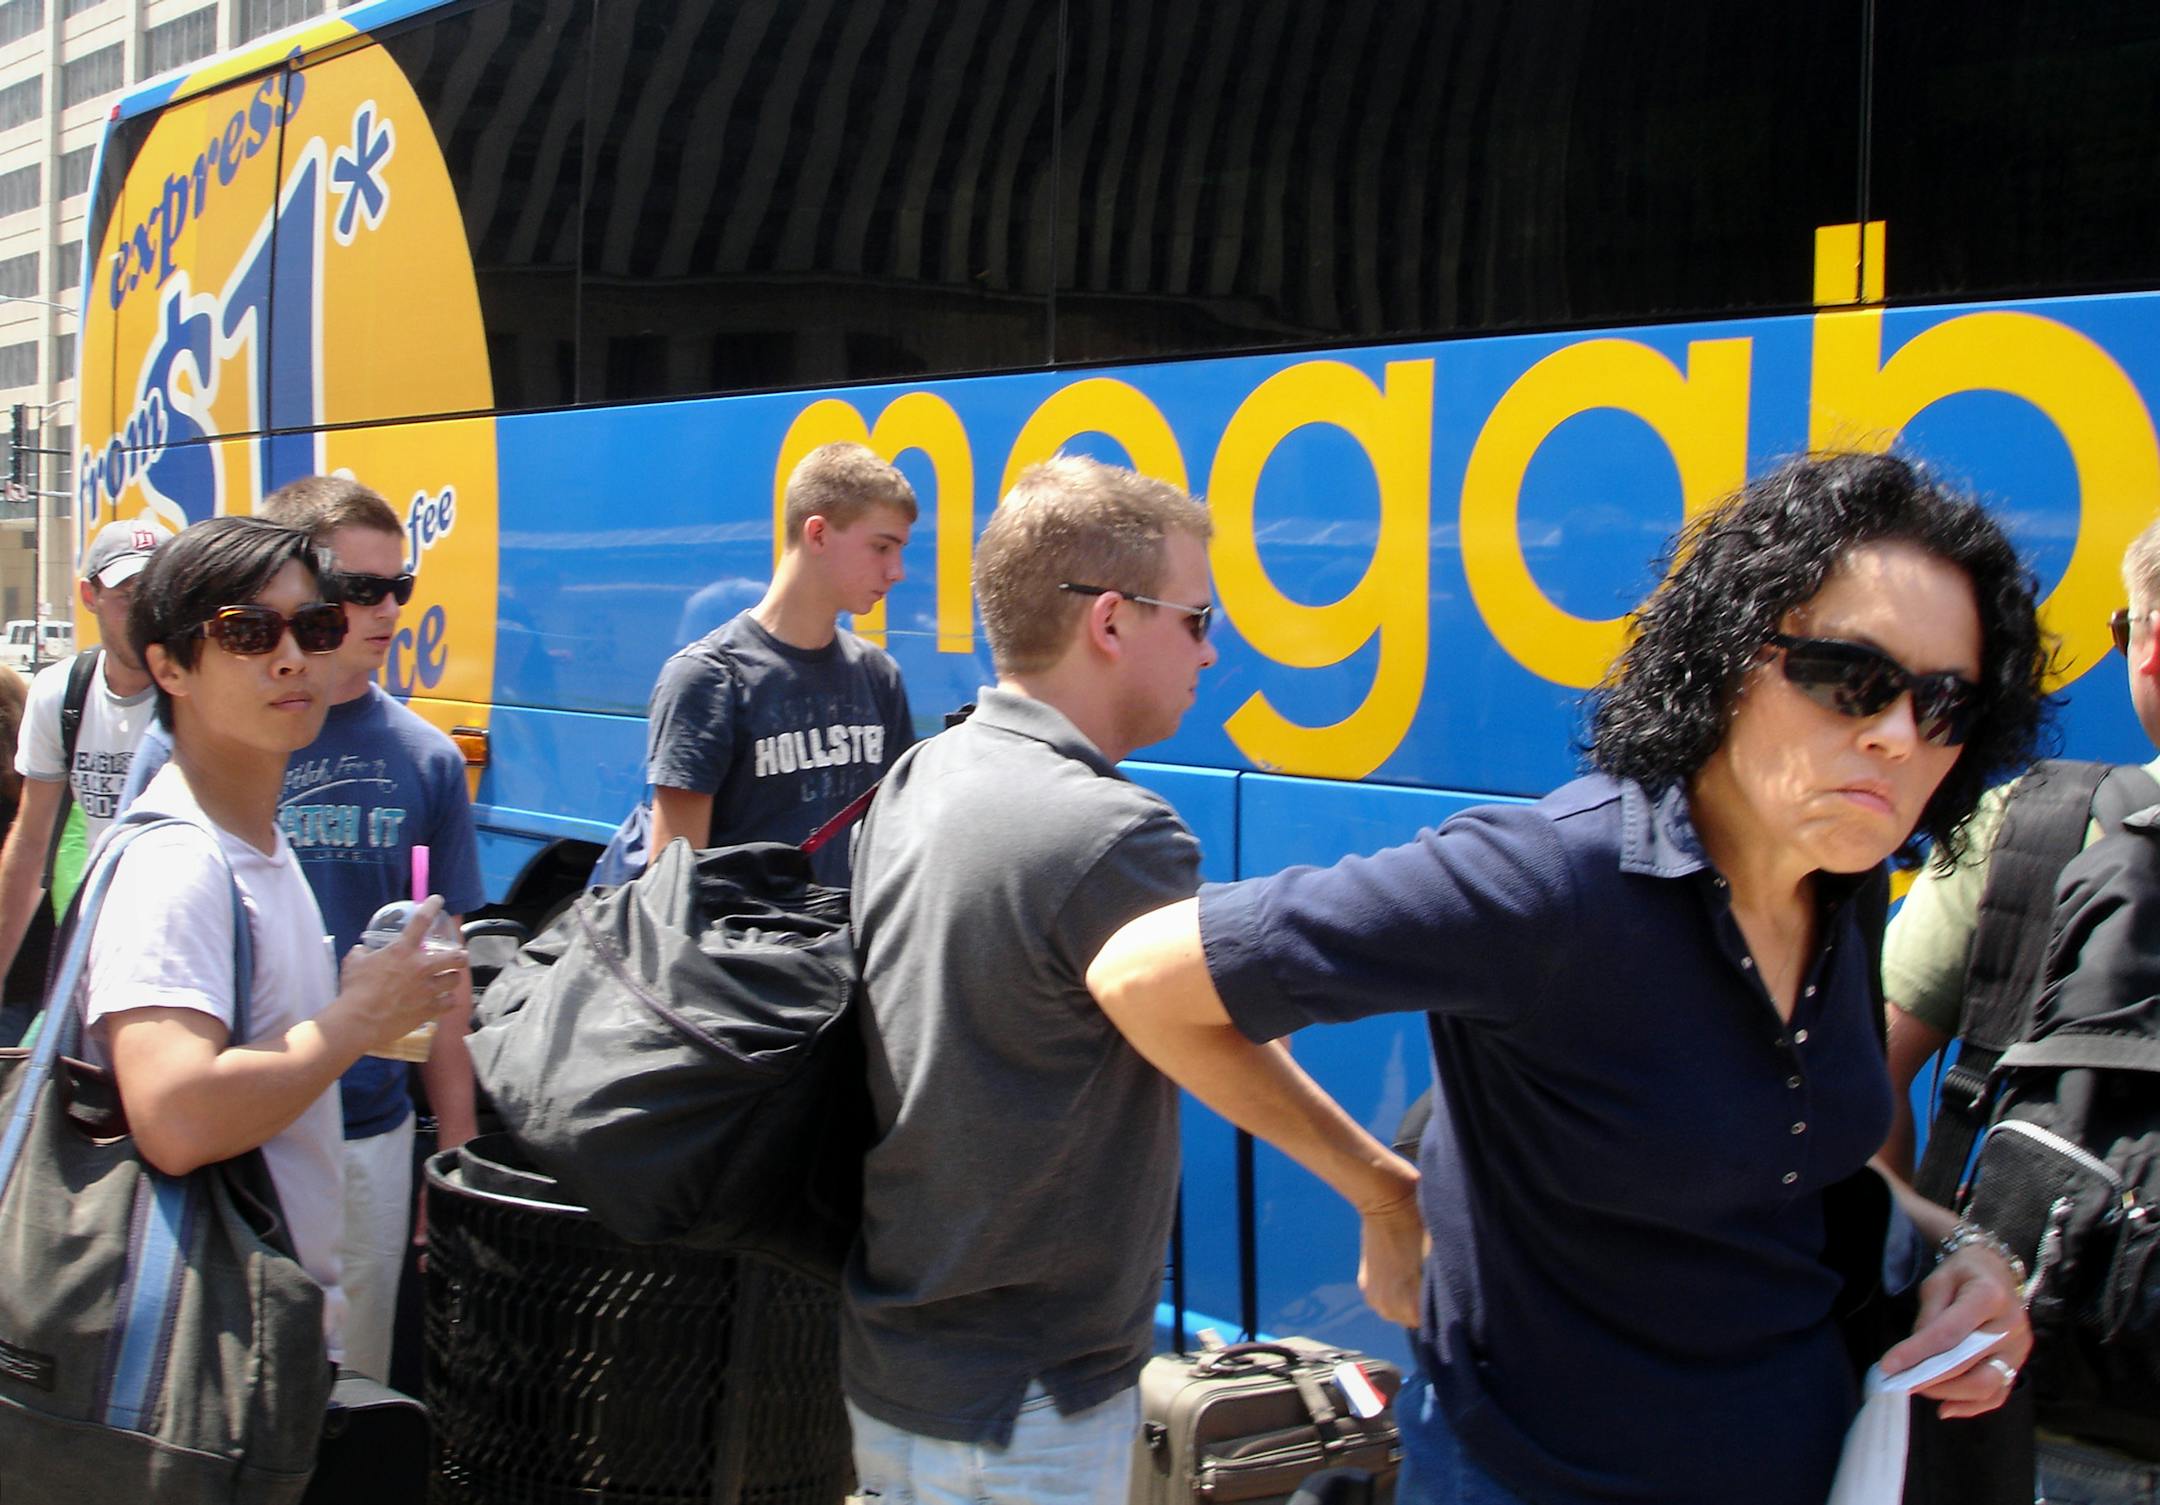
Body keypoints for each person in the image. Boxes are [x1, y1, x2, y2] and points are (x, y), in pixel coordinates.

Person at [1088, 451, 2042, 1505]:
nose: (1898, 734)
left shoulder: (1842, 882)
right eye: (1848, 677)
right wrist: (1380, 1190)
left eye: (1945, 704)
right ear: (1726, 660)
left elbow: (1807, 1164)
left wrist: (1964, 1245)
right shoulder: (1549, 880)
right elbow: (1141, 975)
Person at [843, 455, 1218, 1501]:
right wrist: (1383, 1187)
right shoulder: (1116, 833)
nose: (1210, 651)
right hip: (1029, 1409)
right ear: (1111, 620)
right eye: (1196, 618)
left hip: (895, 1370)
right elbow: (1232, 1056)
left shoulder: (920, 772)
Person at [121, 477, 487, 1384]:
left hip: (295, 1261)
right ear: (171, 666)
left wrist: (451, 1141)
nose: (293, 658)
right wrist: (357, 1019)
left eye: (311, 629)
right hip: (203, 1304)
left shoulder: (263, 839)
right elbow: (173, 1117)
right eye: (251, 633)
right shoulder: (180, 858)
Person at [1881, 513, 2160, 1501]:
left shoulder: (2026, 828)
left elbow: (1849, 1088)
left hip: (2025, 1411)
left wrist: (1936, 1260)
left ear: (2148, 647)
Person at [641, 440, 916, 884]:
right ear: (818, 534)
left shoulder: (878, 675)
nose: (897, 570)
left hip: (854, 950)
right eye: (882, 547)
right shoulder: (707, 679)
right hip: (745, 952)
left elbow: (898, 840)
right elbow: (670, 888)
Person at [0, 519, 172, 1010]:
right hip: (98, 943)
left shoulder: (199, 693)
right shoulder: (62, 694)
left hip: (183, 938)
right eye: (126, 595)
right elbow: (32, 840)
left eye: (155, 596)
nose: (143, 615)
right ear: (89, 595)